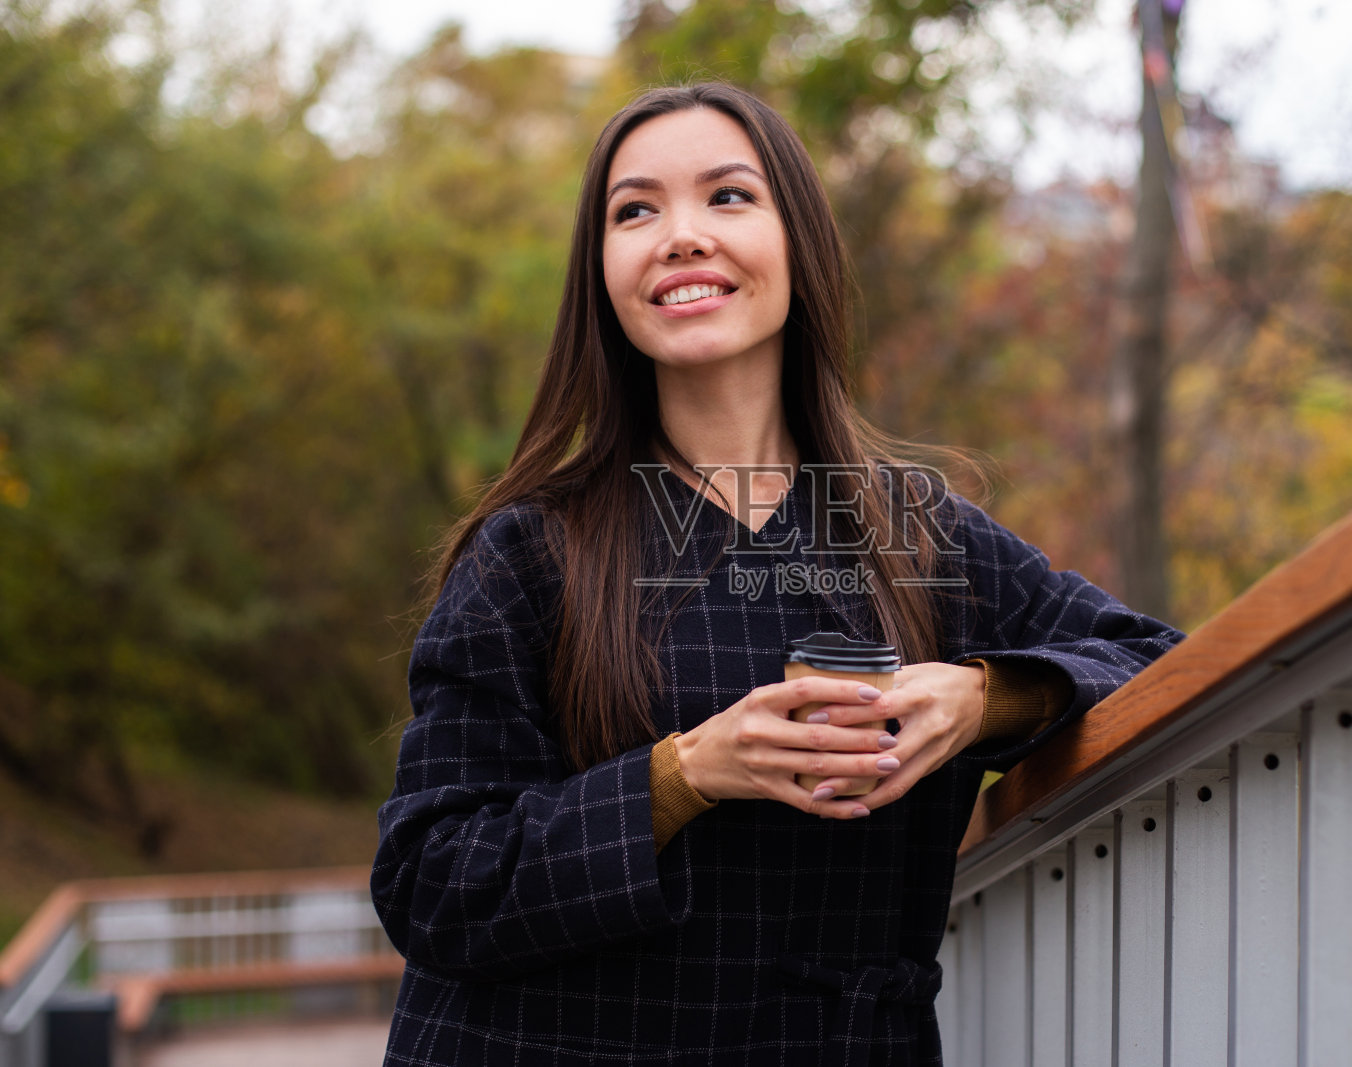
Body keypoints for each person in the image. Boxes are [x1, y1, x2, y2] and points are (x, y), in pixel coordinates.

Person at [370, 81, 1183, 1066]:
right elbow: (429, 880)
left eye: (727, 196)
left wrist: (979, 700)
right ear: (603, 275)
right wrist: (687, 771)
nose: (679, 235)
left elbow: (1152, 661)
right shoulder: (531, 550)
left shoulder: (915, 531)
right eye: (635, 210)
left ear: (798, 239)